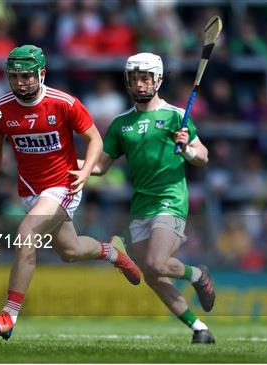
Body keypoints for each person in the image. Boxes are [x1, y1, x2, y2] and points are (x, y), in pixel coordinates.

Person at [0, 45, 141, 340]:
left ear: (41, 74)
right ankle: (113, 251)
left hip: (62, 185)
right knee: (71, 251)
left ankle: (8, 316)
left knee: (27, 232)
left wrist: (87, 171)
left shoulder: (63, 103)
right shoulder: (1, 111)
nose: (21, 82)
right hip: (29, 190)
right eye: (15, 77)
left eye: (27, 76)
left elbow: (95, 140)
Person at [84, 53, 216, 344]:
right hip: (141, 205)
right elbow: (101, 166)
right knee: (153, 276)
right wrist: (74, 168)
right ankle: (199, 329)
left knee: (156, 263)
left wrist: (188, 150)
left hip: (170, 199)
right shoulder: (121, 124)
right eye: (134, 79)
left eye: (145, 78)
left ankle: (197, 275)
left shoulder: (175, 115)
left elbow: (202, 156)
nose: (140, 84)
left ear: (157, 80)